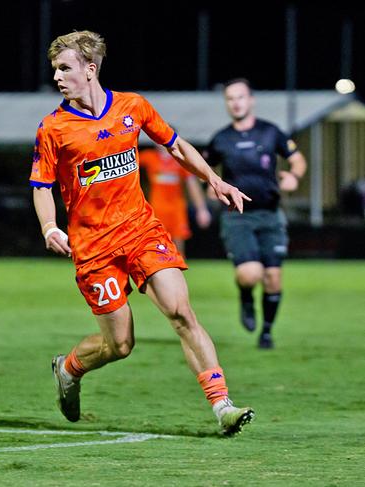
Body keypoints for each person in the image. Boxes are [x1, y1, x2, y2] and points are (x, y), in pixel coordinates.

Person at [29, 30, 254, 435]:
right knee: (120, 345)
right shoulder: (54, 129)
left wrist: (214, 180)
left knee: (181, 313)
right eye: (56, 69)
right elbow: (41, 186)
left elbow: (177, 145)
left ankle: (223, 406)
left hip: (141, 231)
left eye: (65, 68)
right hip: (93, 247)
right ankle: (68, 369)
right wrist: (49, 226)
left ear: (90, 69)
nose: (58, 77)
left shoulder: (132, 106)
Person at [206, 78, 307, 349]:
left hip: (270, 214)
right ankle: (246, 297)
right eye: (230, 98)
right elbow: (204, 170)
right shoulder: (221, 139)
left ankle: (267, 333)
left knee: (273, 276)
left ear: (251, 100)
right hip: (237, 216)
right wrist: (212, 186)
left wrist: (294, 177)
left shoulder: (271, 132)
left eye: (240, 97)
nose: (236, 102)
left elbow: (297, 159)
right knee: (251, 274)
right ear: (227, 103)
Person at [138, 145, 211, 256]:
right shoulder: (149, 156)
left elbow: (192, 185)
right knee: (156, 246)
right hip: (156, 210)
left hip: (177, 211)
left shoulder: (180, 160)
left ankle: (179, 270)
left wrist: (202, 209)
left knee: (178, 247)